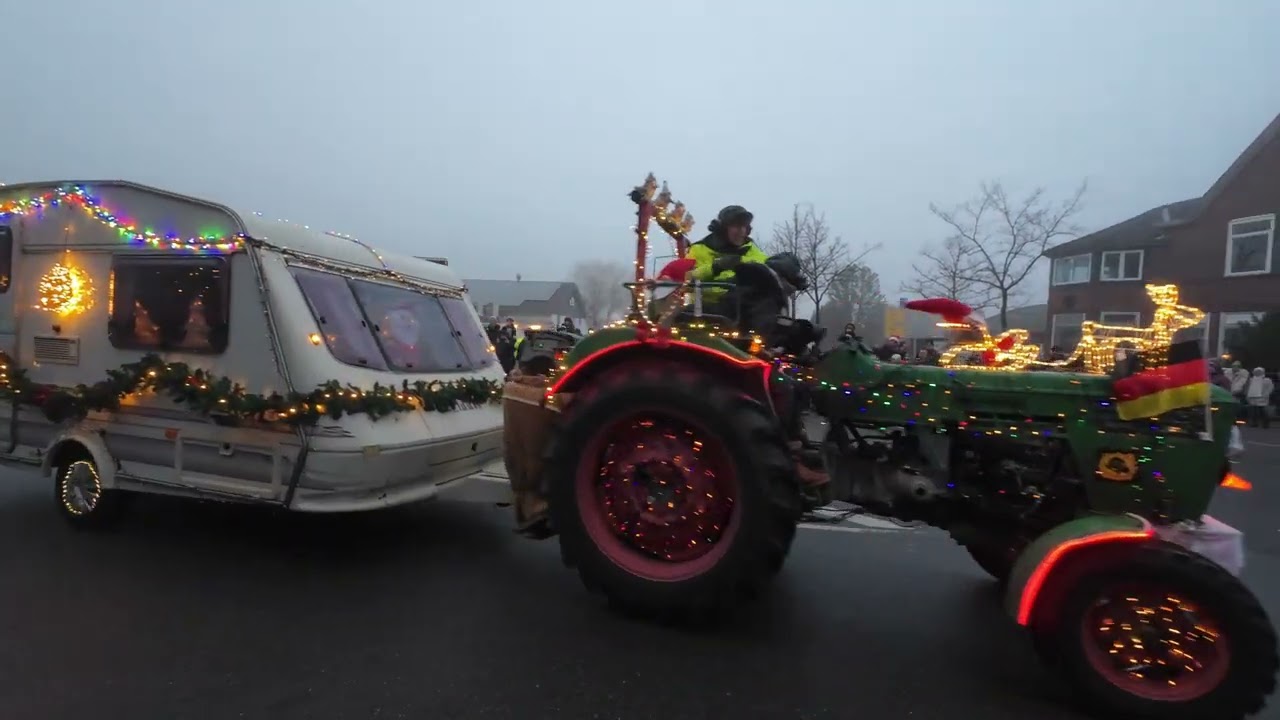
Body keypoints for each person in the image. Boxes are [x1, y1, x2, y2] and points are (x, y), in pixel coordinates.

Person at [686, 205, 769, 313]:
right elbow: (686, 278)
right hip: (705, 310)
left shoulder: (751, 250)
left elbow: (767, 266)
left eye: (744, 226)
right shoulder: (699, 249)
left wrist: (783, 265)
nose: (741, 231)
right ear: (723, 229)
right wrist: (715, 267)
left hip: (744, 310)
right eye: (736, 226)